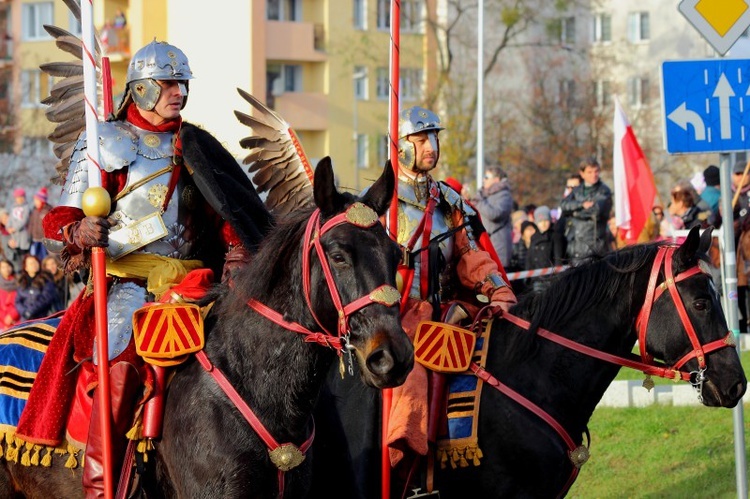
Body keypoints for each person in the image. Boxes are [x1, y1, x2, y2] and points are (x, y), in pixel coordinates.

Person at [16, 40, 272, 497]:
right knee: (121, 367)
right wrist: (81, 233)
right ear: (140, 90)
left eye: (183, 83)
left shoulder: (198, 147)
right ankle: (101, 485)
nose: (179, 92)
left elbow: (228, 215)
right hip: (127, 287)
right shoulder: (106, 143)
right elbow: (60, 218)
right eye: (168, 83)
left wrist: (237, 256)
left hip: (199, 287)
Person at [314, 106, 516, 498]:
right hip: (394, 315)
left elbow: (470, 254)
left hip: (444, 310)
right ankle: (407, 464)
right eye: (421, 139)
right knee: (412, 368)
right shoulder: (378, 207)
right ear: (401, 146)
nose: (430, 146)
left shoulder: (448, 201)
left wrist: (498, 290)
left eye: (434, 138)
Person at [560, 157, 613, 262]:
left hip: (595, 247)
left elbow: (596, 211)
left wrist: (573, 213)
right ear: (582, 173)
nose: (594, 175)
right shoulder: (577, 190)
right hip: (576, 248)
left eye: (596, 171)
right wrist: (581, 205)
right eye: (589, 172)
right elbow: (564, 205)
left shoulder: (604, 191)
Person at [472, 165, 513, 267]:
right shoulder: (483, 195)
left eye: (486, 177)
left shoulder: (505, 195)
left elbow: (495, 214)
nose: (483, 180)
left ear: (496, 179)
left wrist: (479, 202)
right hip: (484, 243)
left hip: (498, 245)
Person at [14, 254, 59, 321]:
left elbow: (45, 298)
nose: (34, 265)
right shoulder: (22, 282)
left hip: (43, 317)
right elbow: (18, 301)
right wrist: (24, 312)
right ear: (26, 267)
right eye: (31, 263)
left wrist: (30, 311)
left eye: (36, 262)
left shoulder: (46, 279)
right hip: (26, 319)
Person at [6, 188, 30, 269]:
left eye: (21, 197)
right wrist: (8, 227)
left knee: (24, 256)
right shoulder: (12, 207)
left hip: (23, 236)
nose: (19, 199)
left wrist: (15, 228)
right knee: (15, 256)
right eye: (17, 197)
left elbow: (24, 220)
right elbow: (10, 219)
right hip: (14, 236)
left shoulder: (26, 207)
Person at [28, 187, 52, 260]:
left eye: (36, 200)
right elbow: (31, 224)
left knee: (45, 258)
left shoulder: (48, 210)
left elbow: (51, 225)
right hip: (35, 240)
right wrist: (30, 236)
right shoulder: (34, 211)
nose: (35, 202)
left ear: (42, 201)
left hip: (44, 240)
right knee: (35, 257)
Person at [0, 258, 19, 331]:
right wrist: (5, 320)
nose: (6, 269)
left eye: (8, 266)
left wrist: (12, 316)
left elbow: (22, 301)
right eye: (3, 267)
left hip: (17, 320)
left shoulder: (18, 282)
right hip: (2, 323)